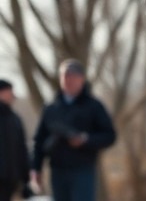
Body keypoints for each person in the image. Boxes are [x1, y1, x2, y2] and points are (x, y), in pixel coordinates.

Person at [31, 59, 116, 201]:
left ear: (82, 79)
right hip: (57, 170)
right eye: (65, 76)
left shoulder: (93, 106)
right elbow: (39, 140)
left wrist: (85, 139)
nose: (68, 80)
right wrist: (36, 168)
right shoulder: (51, 108)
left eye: (72, 76)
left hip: (83, 169)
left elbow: (110, 136)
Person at [0, 79, 31, 201]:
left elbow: (21, 150)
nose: (13, 96)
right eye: (9, 92)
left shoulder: (15, 120)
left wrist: (25, 180)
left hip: (10, 179)